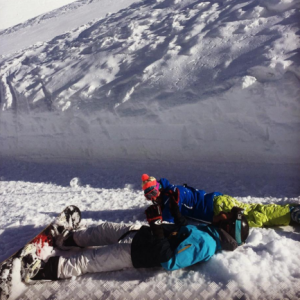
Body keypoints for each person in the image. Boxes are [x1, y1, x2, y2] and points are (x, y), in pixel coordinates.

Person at [21, 197, 249, 283]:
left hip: (137, 252)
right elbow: (181, 232)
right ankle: (68, 238)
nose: (224, 213)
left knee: (90, 260)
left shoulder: (206, 245)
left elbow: (169, 260)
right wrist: (175, 209)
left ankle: (45, 270)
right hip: (140, 233)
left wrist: (158, 225)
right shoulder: (208, 233)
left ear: (228, 226)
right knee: (103, 229)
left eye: (227, 216)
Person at [141, 174, 300, 227]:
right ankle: (289, 212)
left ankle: (291, 213)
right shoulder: (168, 200)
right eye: (148, 195)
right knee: (252, 214)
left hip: (218, 205)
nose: (153, 197)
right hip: (217, 203)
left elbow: (179, 216)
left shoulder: (176, 193)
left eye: (153, 192)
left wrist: (161, 215)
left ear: (159, 188)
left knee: (253, 217)